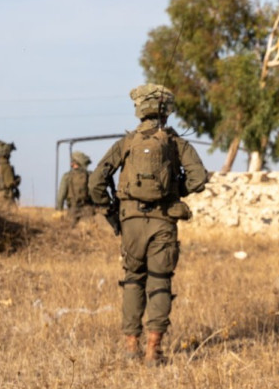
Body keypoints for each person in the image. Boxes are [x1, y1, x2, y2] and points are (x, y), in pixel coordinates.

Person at [88, 84, 208, 366]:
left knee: (133, 280)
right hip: (163, 222)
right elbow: (199, 178)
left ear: (139, 110)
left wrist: (110, 211)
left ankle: (131, 346)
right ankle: (154, 350)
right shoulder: (175, 143)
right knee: (160, 281)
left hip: (130, 221)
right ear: (166, 111)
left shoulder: (126, 143)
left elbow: (96, 182)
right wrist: (177, 190)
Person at [57, 150, 94, 225]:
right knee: (89, 232)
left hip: (73, 209)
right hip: (88, 209)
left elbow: (61, 195)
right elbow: (93, 192)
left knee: (70, 233)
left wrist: (59, 210)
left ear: (73, 163)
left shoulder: (67, 176)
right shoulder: (89, 175)